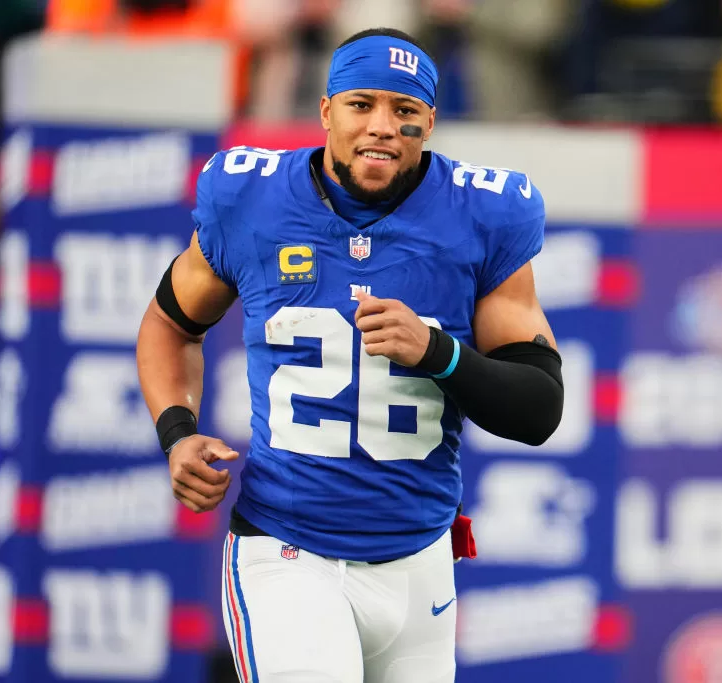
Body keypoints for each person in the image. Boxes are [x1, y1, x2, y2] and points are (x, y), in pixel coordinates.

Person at [135, 27, 564, 683]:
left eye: (405, 111)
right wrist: (177, 431)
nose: (382, 127)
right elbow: (169, 325)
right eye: (362, 104)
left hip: (420, 561)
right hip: (288, 549)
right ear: (327, 110)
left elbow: (538, 407)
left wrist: (441, 353)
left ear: (431, 122)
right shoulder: (251, 199)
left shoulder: (484, 214)